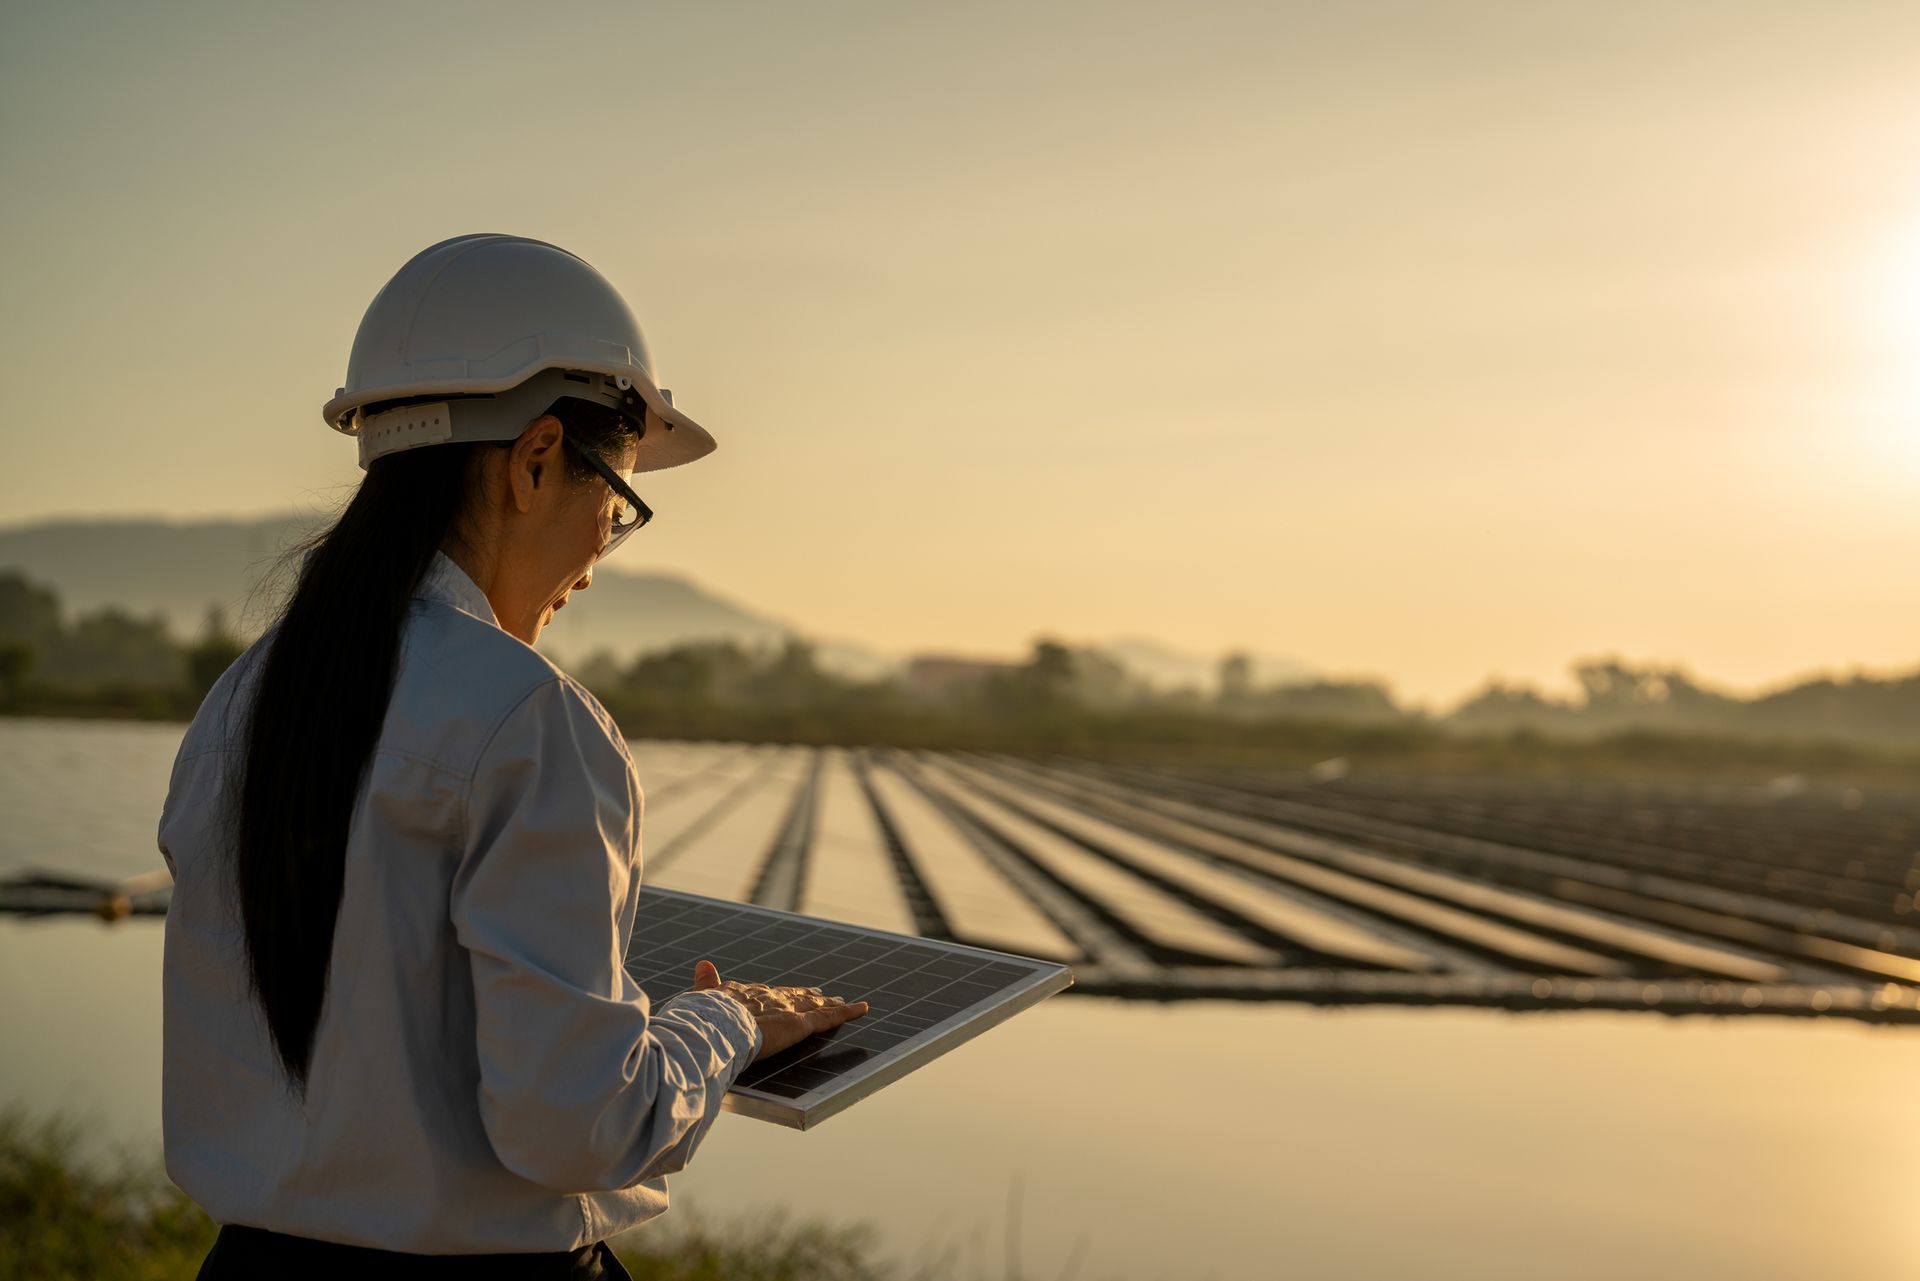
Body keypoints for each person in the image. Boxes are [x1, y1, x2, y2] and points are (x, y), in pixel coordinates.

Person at [157, 234, 868, 1279]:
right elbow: (578, 1128)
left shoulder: (243, 697)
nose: (600, 552)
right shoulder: (530, 719)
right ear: (538, 461)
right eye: (616, 505)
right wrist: (730, 1020)